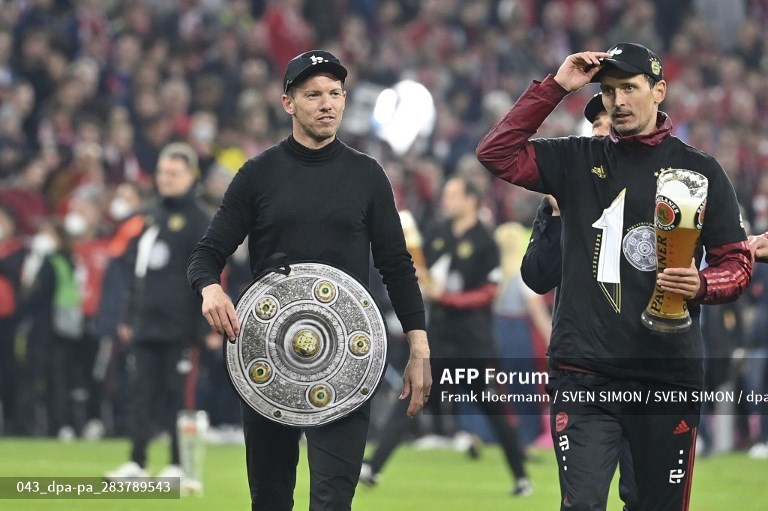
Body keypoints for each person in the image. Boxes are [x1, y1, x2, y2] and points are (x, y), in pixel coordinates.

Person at [477, 42, 752, 510]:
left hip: (665, 375)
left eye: (629, 88)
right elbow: (495, 153)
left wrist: (704, 284)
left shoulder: (700, 171)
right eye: (608, 91)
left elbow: (737, 263)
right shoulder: (574, 159)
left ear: (659, 91)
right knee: (582, 504)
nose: (617, 101)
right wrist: (556, 87)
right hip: (585, 373)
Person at [186, 50, 432, 511]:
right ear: (288, 103)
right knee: (270, 500)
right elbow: (206, 253)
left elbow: (397, 267)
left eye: (335, 93)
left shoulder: (368, 175)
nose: (327, 104)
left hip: (348, 359)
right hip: (268, 356)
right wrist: (210, 288)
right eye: (314, 94)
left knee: (333, 502)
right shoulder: (258, 174)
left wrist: (419, 346)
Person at [361, 176, 532, 497]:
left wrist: (448, 298)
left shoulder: (484, 239)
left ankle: (521, 477)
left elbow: (489, 292)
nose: (446, 200)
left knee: (495, 409)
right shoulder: (437, 233)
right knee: (411, 396)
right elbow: (420, 270)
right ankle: (373, 466)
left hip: (473, 344)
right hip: (438, 339)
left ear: (471, 200)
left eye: (453, 195)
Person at [519, 95, 638, 511]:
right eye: (595, 126)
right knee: (582, 502)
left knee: (647, 498)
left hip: (646, 369)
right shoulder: (567, 194)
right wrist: (554, 215)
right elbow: (537, 276)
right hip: (582, 371)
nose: (600, 133)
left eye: (608, 124)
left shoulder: (653, 190)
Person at [106, 142, 212, 493]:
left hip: (181, 326)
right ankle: (137, 462)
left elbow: (208, 276)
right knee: (140, 394)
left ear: (191, 176)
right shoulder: (148, 216)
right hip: (145, 323)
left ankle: (178, 465)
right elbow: (136, 272)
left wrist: (203, 327)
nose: (166, 179)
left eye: (174, 173)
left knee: (180, 397)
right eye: (163, 172)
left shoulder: (200, 220)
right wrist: (128, 316)